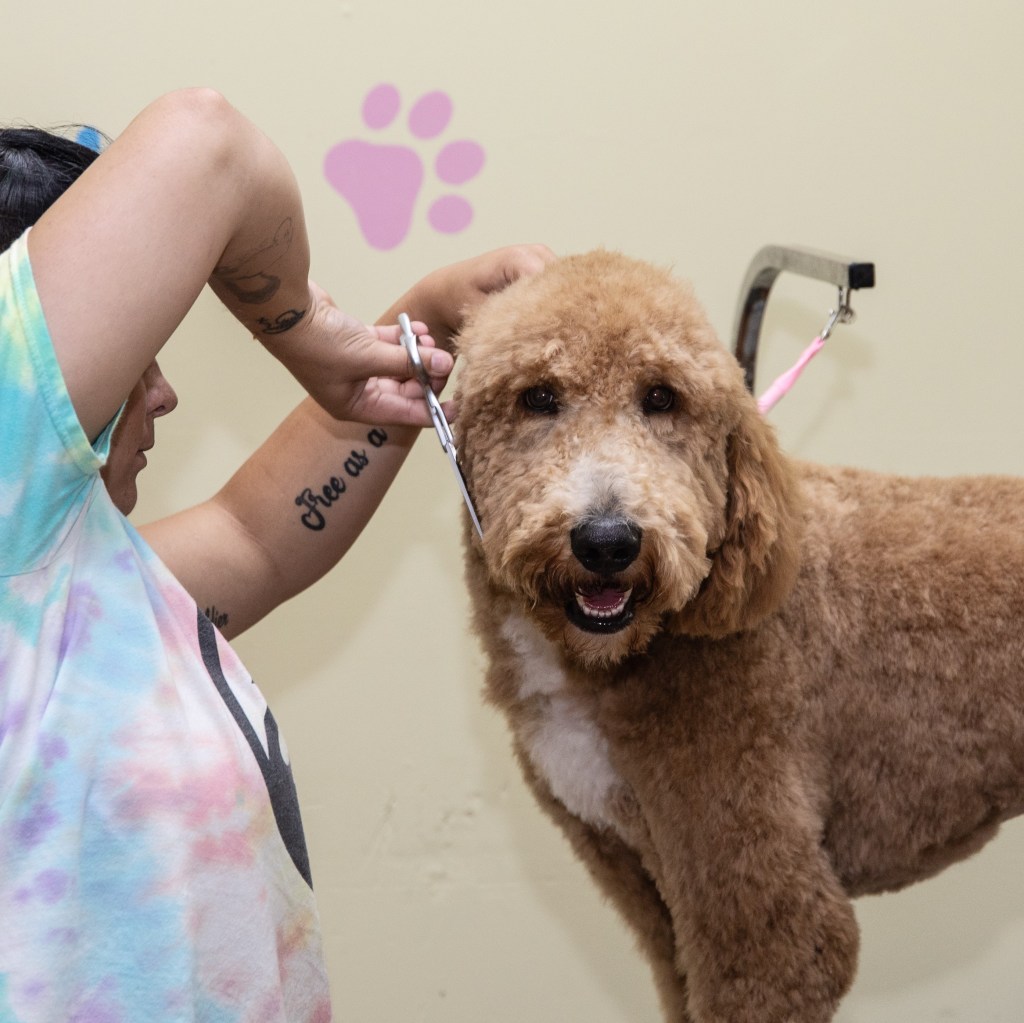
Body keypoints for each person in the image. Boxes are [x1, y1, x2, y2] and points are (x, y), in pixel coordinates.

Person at [0, 87, 554, 1023]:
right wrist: (313, 338)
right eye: (137, 357)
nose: (164, 394)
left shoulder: (66, 597)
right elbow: (206, 144)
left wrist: (413, 329)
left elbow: (254, 538)